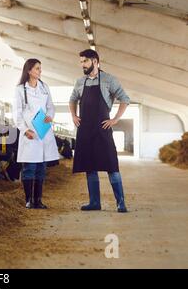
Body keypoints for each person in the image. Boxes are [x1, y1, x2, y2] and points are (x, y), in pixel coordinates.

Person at [69, 49, 130, 213]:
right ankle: (94, 202)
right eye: (81, 62)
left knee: (112, 166)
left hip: (103, 129)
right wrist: (74, 115)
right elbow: (72, 99)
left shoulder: (109, 80)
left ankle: (121, 202)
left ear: (95, 61)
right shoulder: (80, 82)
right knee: (90, 166)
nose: (82, 65)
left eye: (85, 61)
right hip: (86, 129)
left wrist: (115, 119)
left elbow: (125, 99)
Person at [13, 58, 60, 209]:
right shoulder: (20, 89)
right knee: (29, 168)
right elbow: (17, 113)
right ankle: (28, 200)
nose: (40, 71)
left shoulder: (44, 87)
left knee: (41, 168)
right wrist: (25, 130)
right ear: (29, 71)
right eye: (37, 68)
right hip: (30, 132)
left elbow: (50, 107)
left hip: (43, 130)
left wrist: (50, 116)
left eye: (40, 68)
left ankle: (38, 200)